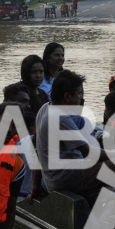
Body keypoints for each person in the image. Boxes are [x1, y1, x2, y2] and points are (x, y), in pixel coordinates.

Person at [36, 70, 101, 199]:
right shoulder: (61, 117)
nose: (80, 98)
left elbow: (37, 151)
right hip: (65, 178)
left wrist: (35, 185)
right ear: (67, 96)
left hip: (52, 178)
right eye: (78, 94)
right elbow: (89, 152)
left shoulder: (44, 108)